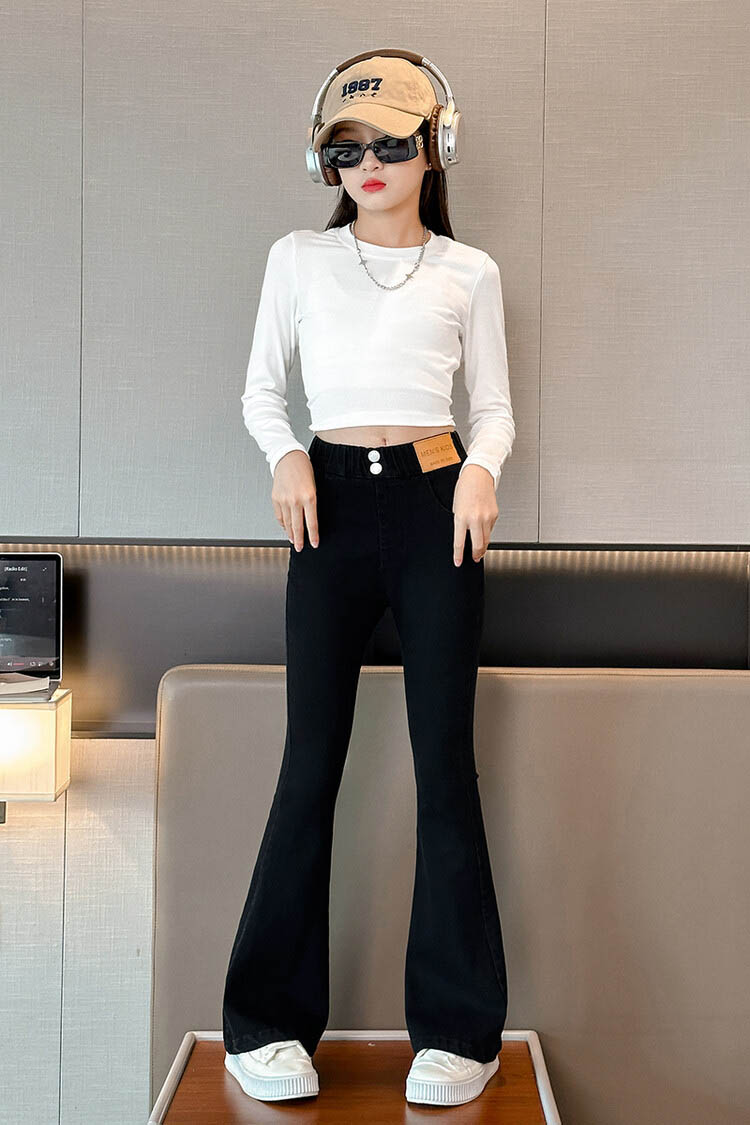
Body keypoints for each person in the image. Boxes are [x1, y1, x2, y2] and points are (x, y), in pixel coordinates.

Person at [222, 51, 514, 1108]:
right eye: (347, 150)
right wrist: (286, 456)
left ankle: (459, 1031)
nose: (371, 165)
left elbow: (493, 409)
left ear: (437, 147)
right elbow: (262, 392)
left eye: (393, 142)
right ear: (324, 162)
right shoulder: (297, 259)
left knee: (445, 767)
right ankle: (264, 1022)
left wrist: (480, 472)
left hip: (438, 511)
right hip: (328, 510)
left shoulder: (469, 271)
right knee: (310, 764)